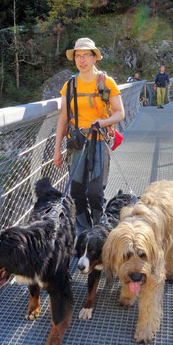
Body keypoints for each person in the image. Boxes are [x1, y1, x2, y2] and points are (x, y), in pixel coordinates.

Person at [53, 38, 125, 233]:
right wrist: (57, 149)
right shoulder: (70, 85)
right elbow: (63, 119)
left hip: (99, 141)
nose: (81, 60)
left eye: (86, 55)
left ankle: (98, 229)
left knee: (95, 192)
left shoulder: (105, 82)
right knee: (76, 191)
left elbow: (120, 112)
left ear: (95, 58)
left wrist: (102, 122)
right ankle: (83, 231)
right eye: (78, 55)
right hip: (77, 143)